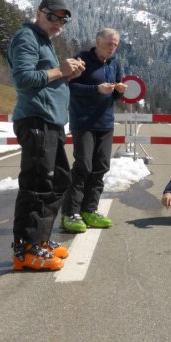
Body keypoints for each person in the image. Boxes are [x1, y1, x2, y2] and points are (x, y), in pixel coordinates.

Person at [6, 0, 85, 270]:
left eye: (63, 20)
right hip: (35, 120)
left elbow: (46, 77)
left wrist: (66, 75)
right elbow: (24, 78)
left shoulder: (44, 41)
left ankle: (39, 241)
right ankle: (25, 250)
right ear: (39, 14)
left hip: (50, 122)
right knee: (37, 186)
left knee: (59, 181)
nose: (58, 24)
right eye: (53, 17)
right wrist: (59, 70)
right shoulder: (26, 37)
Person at [61, 28, 127, 233]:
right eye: (109, 43)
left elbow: (114, 96)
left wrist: (119, 92)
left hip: (106, 123)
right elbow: (70, 88)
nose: (112, 47)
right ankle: (70, 213)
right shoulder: (81, 60)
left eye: (115, 44)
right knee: (83, 166)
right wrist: (96, 89)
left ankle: (90, 210)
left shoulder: (115, 63)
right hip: (84, 122)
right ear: (98, 41)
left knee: (101, 167)